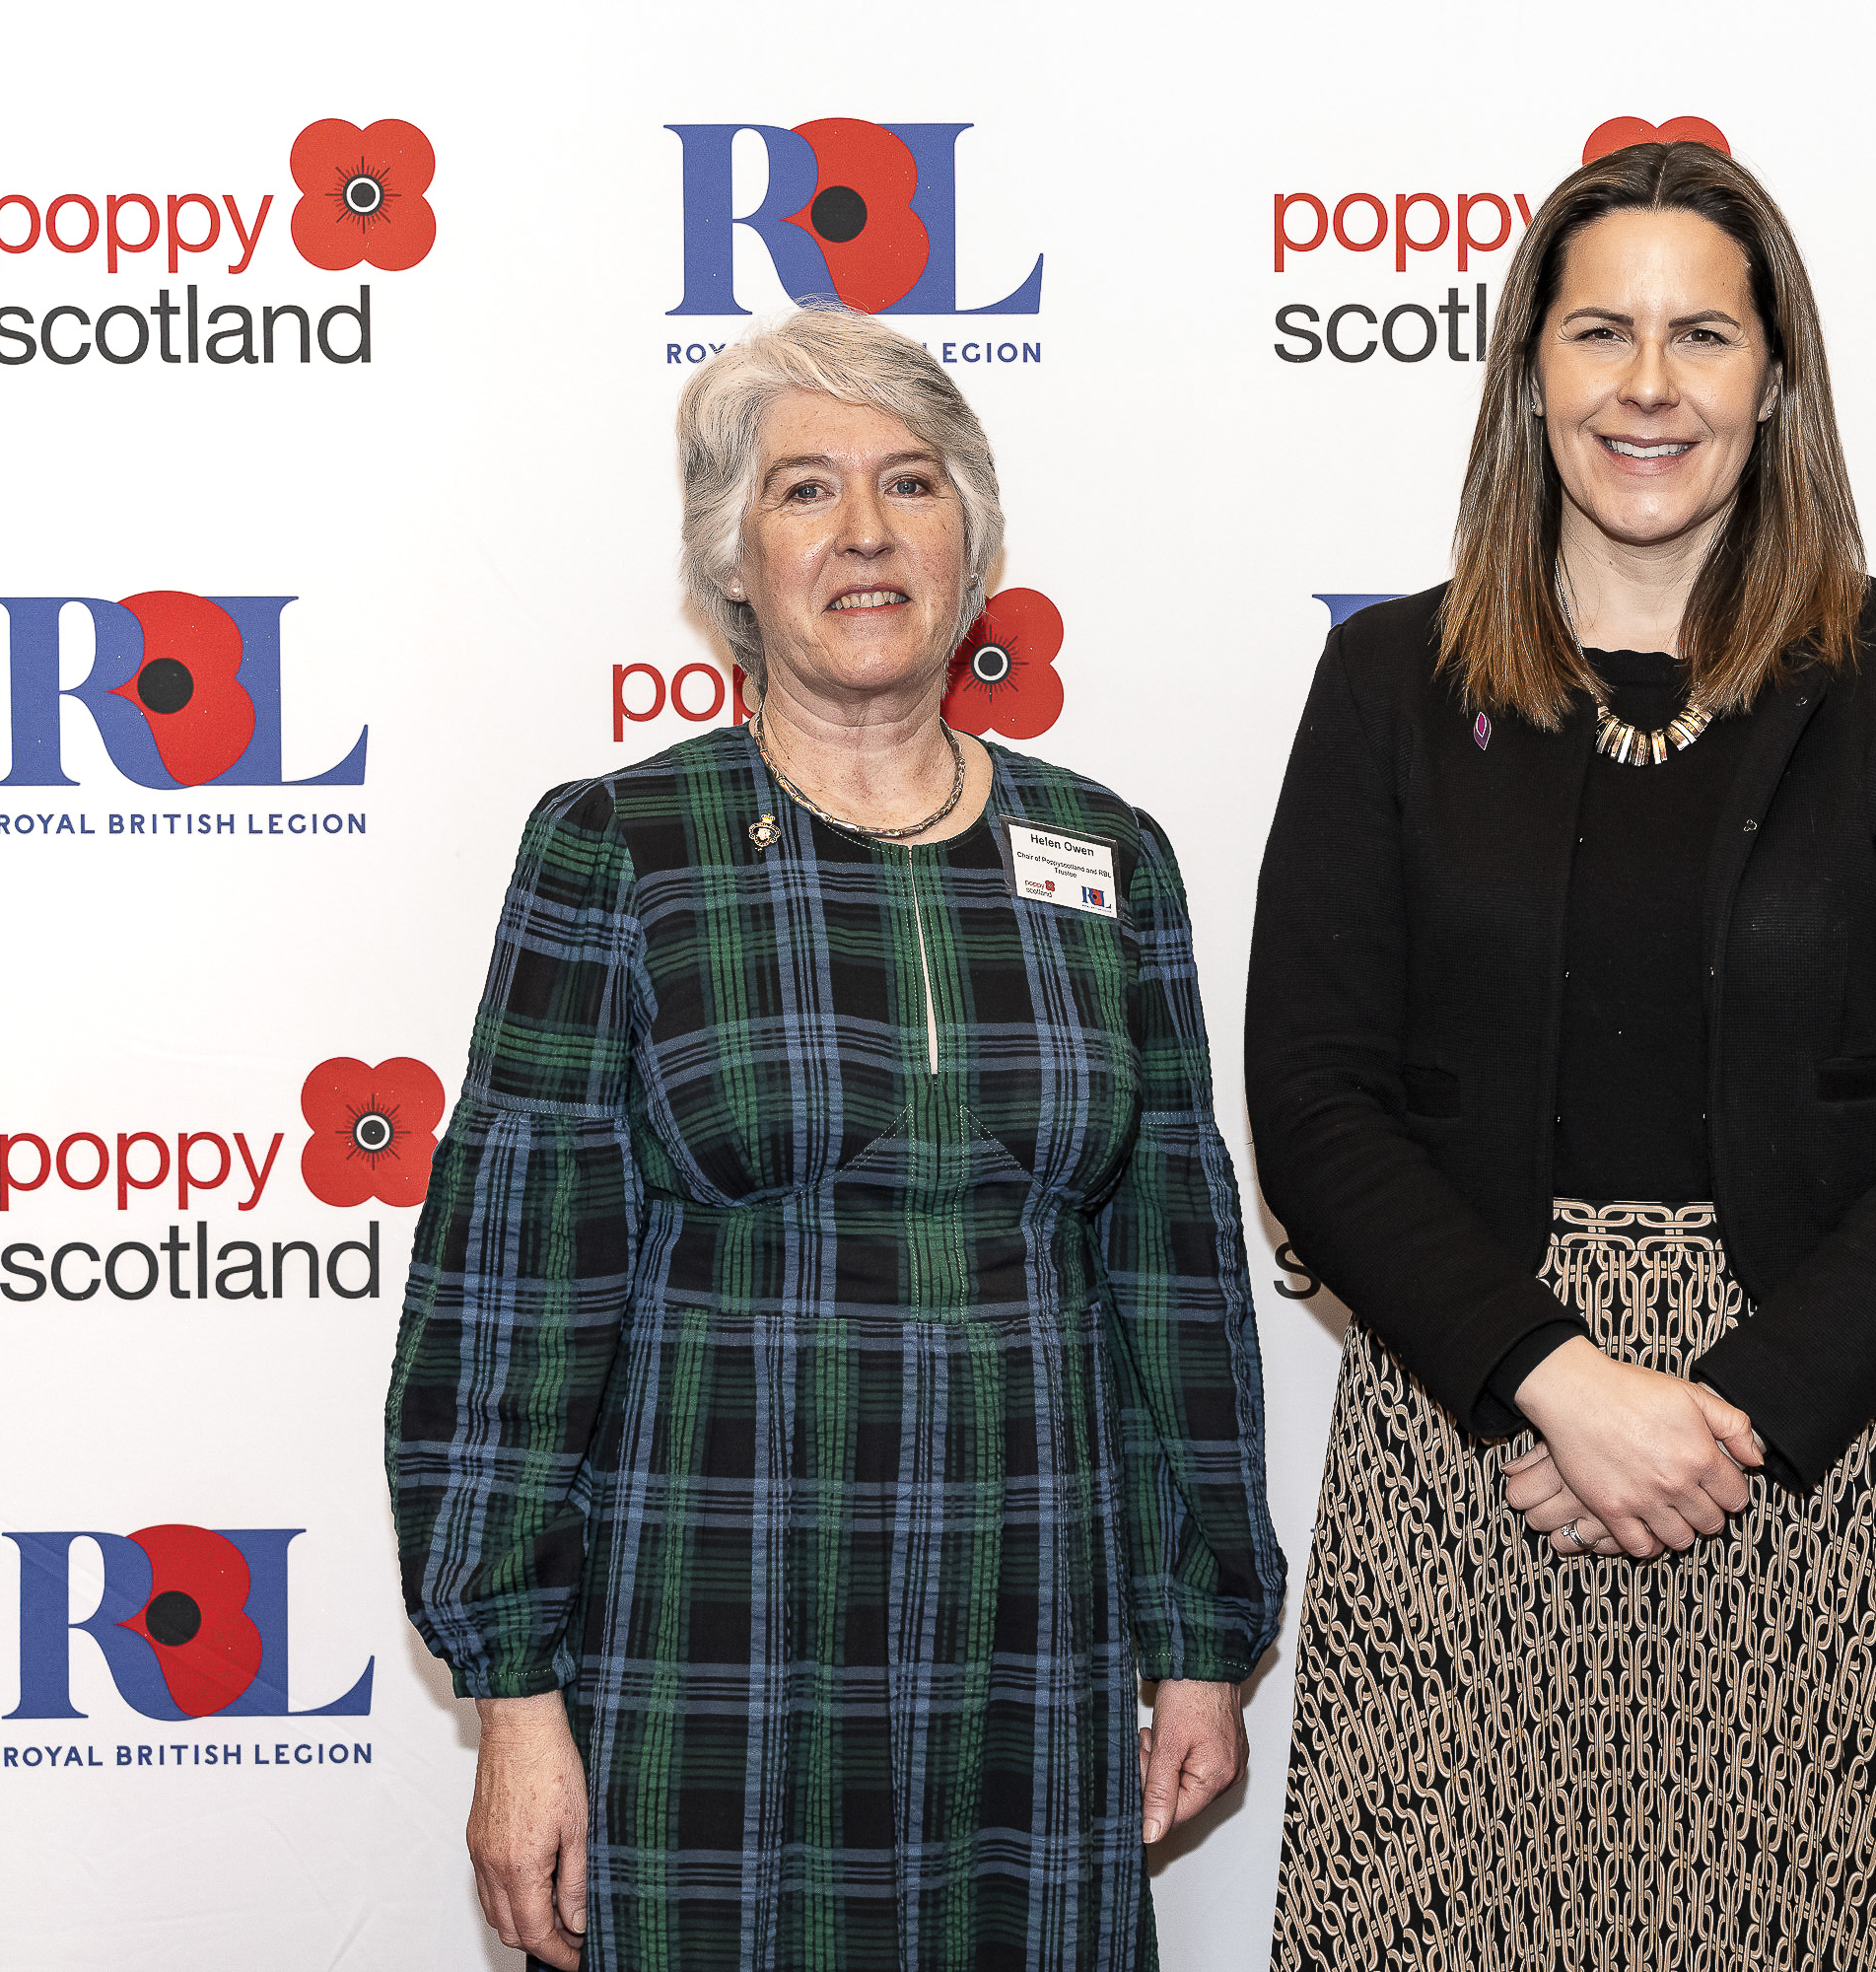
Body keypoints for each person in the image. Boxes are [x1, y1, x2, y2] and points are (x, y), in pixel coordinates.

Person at [387, 305, 1285, 1972]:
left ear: (975, 544)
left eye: (912, 485)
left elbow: (1175, 1284)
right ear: (733, 562)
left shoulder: (1109, 856)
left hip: (1038, 1635)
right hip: (711, 1642)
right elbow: (513, 1295)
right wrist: (514, 1700)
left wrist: (1199, 1635)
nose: (866, 534)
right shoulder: (617, 852)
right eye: (805, 492)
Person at [1247, 140, 1876, 1968]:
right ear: (1527, 371)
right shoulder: (1389, 683)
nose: (1648, 385)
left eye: (1703, 333)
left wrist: (1734, 1412)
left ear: (1776, 379)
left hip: (1818, 1461)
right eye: (1599, 330)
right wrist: (1555, 1380)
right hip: (1476, 1458)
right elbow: (1311, 1099)